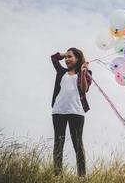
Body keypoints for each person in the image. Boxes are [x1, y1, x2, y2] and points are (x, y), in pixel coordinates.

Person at [50, 47, 92, 177]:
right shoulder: (61, 71)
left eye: (70, 57)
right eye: (66, 57)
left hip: (77, 112)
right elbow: (53, 58)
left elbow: (84, 89)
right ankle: (57, 176)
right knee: (58, 143)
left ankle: (81, 176)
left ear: (77, 58)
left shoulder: (85, 72)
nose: (67, 59)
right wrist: (63, 54)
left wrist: (84, 73)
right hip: (58, 111)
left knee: (78, 144)